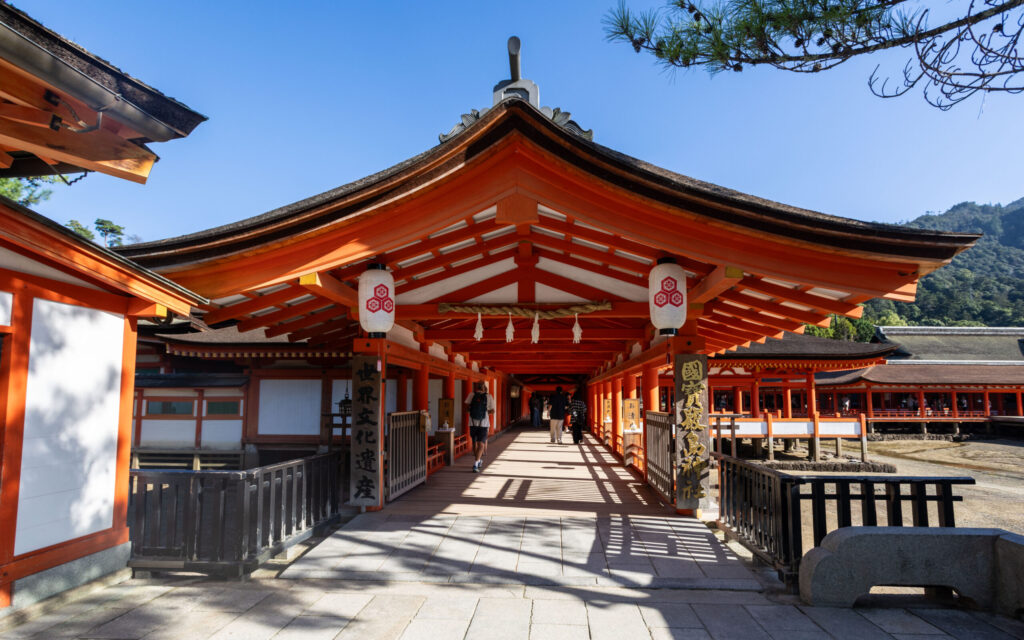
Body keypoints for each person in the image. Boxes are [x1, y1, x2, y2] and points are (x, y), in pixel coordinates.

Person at [466, 381, 495, 472]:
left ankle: (477, 461)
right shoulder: (489, 396)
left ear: (476, 388)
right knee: (481, 444)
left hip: (472, 423)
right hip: (484, 423)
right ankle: (476, 463)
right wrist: (486, 412)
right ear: (485, 388)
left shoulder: (471, 394)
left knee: (474, 443)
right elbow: (492, 411)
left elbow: (467, 408)